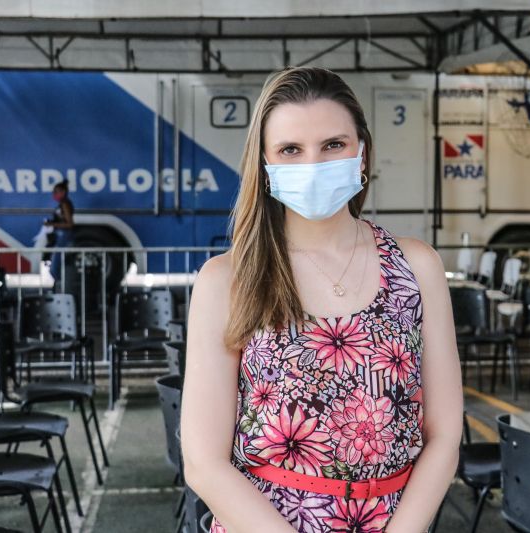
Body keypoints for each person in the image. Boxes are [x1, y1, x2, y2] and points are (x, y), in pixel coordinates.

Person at [181, 66, 462, 533]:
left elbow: (445, 434)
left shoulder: (418, 267)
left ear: (362, 152)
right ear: (265, 164)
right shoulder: (227, 280)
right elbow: (204, 464)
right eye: (290, 150)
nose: (312, 164)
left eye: (333, 145)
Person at [45, 181, 74, 286]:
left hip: (64, 236)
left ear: (63, 192)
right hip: (61, 236)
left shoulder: (65, 204)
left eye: (56, 192)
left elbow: (69, 224)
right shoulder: (62, 204)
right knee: (56, 265)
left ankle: (61, 286)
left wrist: (53, 224)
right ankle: (59, 285)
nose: (54, 194)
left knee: (55, 268)